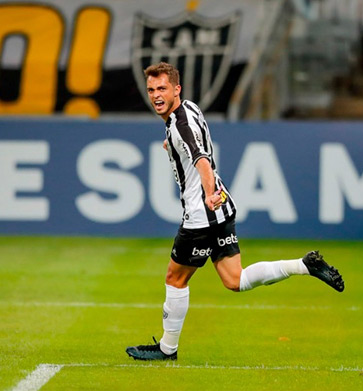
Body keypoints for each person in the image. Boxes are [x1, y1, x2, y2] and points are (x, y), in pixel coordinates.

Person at [126, 62, 344, 361]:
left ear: (176, 89)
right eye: (151, 90)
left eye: (162, 88)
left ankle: (167, 349)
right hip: (223, 208)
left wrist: (208, 193)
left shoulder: (180, 124)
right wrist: (174, 149)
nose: (155, 95)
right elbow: (195, 145)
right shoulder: (189, 109)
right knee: (234, 280)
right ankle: (304, 265)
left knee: (175, 279)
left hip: (203, 213)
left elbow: (202, 159)